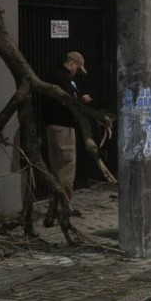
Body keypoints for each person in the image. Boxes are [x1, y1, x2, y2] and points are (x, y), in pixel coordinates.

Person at [43, 51, 92, 227]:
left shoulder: (53, 76)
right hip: (63, 128)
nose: (76, 74)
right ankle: (64, 207)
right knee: (66, 170)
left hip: (53, 127)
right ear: (72, 64)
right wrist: (82, 99)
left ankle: (55, 209)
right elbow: (69, 101)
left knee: (57, 170)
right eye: (77, 70)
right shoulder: (63, 79)